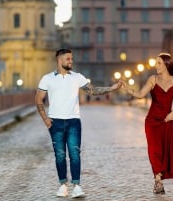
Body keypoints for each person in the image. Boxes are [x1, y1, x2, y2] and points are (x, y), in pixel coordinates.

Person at [35, 48, 121, 198]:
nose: (71, 61)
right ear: (59, 60)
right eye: (68, 59)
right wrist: (46, 120)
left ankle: (76, 186)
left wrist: (112, 88)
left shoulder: (77, 77)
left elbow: (93, 91)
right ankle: (63, 185)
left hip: (74, 121)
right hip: (55, 122)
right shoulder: (47, 78)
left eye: (71, 59)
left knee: (75, 154)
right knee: (60, 155)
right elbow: (38, 99)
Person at [121, 53, 173, 194]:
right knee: (154, 150)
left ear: (167, 64)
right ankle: (158, 181)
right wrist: (127, 89)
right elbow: (140, 94)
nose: (156, 66)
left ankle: (160, 178)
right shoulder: (153, 79)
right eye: (156, 63)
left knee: (166, 150)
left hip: (168, 120)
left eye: (159, 63)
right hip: (152, 121)